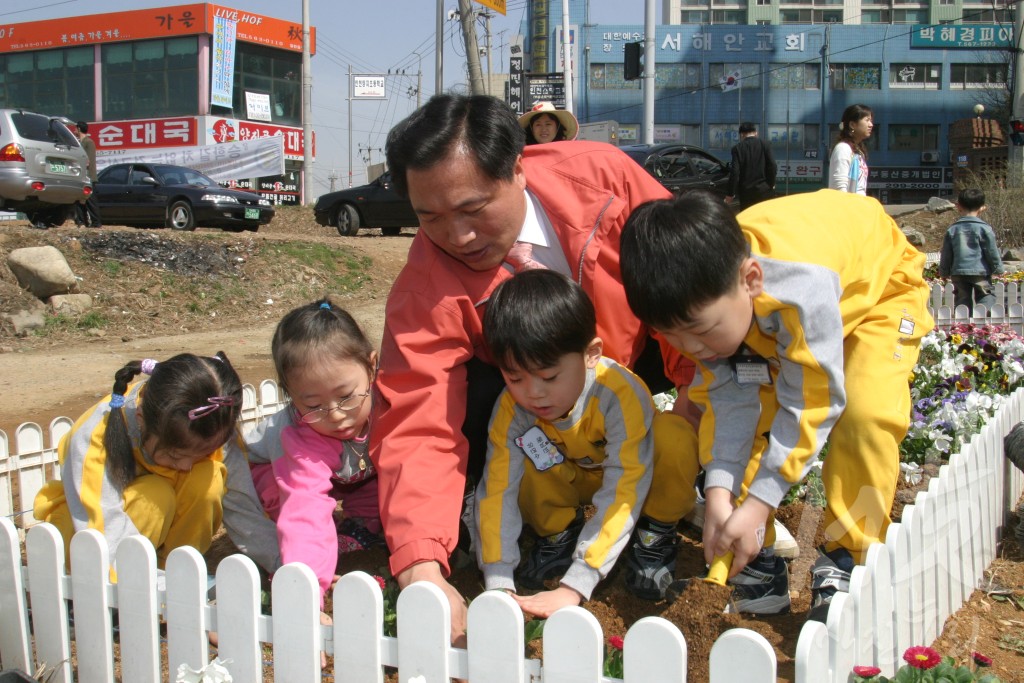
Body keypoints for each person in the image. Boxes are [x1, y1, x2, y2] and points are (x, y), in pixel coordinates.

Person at [371, 93, 695, 644]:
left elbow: (690, 281)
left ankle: (656, 516)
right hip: (539, 393)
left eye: (473, 209)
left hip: (635, 353)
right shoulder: (426, 281)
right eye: (430, 218)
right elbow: (417, 418)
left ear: (518, 168)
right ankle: (542, 522)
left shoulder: (603, 181)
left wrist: (689, 419)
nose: (458, 236)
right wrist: (419, 562)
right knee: (478, 398)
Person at [619, 189, 933, 623]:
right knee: (740, 410)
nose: (691, 348)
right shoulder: (705, 298)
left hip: (880, 288)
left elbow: (811, 405)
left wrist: (759, 503)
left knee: (864, 415)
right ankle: (754, 554)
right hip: (775, 315)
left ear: (750, 280)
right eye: (670, 336)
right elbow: (731, 404)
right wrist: (718, 495)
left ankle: (849, 555)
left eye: (700, 331)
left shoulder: (799, 290)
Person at [475, 270, 700, 617]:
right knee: (516, 461)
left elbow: (624, 486)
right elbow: (497, 491)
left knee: (674, 438)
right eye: (514, 377)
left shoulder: (618, 393)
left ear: (591, 354)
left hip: (637, 478)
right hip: (572, 478)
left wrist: (577, 583)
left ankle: (654, 534)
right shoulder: (512, 407)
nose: (533, 393)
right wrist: (498, 579)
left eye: (549, 376)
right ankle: (557, 535)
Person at [33, 352, 280, 575]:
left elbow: (243, 508)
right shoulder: (96, 436)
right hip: (87, 535)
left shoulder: (213, 427)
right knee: (157, 495)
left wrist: (285, 564)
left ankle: (178, 571)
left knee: (207, 478)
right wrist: (146, 591)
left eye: (202, 453)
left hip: (152, 541)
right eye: (175, 456)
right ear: (141, 419)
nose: (186, 466)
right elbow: (102, 529)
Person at [247, 298, 384, 607]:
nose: (335, 415)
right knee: (295, 516)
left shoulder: (387, 404)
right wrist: (308, 590)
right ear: (291, 395)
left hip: (350, 472)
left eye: (346, 396)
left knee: (376, 488)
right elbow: (304, 506)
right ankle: (303, 557)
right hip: (272, 470)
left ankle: (353, 529)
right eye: (312, 404)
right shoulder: (298, 435)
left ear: (372, 366)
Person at [938, 188, 1004, 313]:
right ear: (982, 207)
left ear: (958, 206)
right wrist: (998, 268)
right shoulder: (984, 229)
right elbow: (991, 251)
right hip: (980, 271)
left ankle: (963, 327)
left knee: (962, 299)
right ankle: (985, 323)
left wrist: (944, 271)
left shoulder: (953, 230)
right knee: (985, 295)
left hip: (958, 272)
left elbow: (946, 253)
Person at [725, 122, 777, 210]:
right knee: (764, 217)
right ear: (756, 132)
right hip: (764, 190)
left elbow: (735, 172)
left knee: (748, 218)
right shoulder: (765, 144)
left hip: (746, 192)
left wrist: (731, 194)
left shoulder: (737, 148)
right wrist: (771, 184)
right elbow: (772, 165)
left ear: (741, 135)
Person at [828, 104, 873, 195]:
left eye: (871, 121)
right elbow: (839, 188)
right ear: (852, 124)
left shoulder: (858, 152)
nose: (871, 125)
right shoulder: (843, 149)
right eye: (867, 120)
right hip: (847, 207)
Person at [73, 120, 102, 228]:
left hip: (89, 176)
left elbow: (87, 161)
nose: (74, 131)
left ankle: (96, 222)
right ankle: (81, 222)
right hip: (80, 177)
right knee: (79, 200)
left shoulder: (88, 142)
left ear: (79, 129)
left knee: (90, 201)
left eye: (75, 129)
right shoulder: (79, 143)